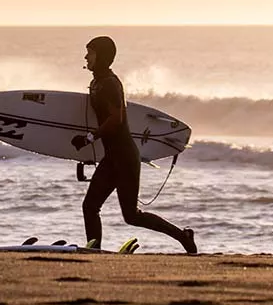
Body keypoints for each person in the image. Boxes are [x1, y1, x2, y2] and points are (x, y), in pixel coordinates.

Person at [72, 36, 197, 254]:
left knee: (131, 215)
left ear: (101, 56)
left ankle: (182, 236)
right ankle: (94, 249)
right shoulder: (97, 83)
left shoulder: (110, 83)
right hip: (112, 156)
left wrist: (90, 138)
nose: (86, 57)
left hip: (125, 157)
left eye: (90, 53)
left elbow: (116, 118)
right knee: (90, 206)